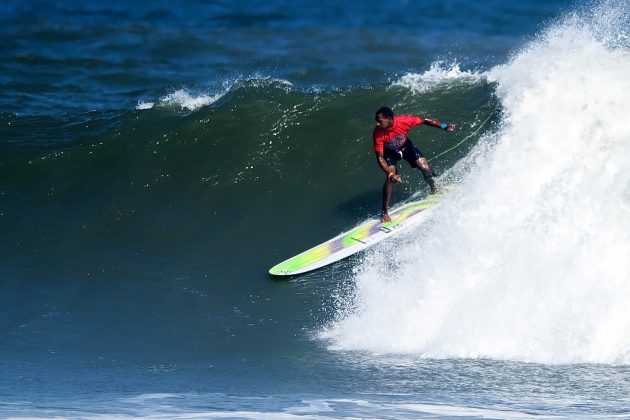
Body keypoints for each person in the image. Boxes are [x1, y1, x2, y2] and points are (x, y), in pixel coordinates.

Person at [373, 106, 455, 222]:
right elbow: (380, 157)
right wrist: (391, 175)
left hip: (406, 147)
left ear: (389, 119)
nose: (377, 124)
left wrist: (444, 126)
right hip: (389, 154)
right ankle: (384, 212)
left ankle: (435, 188)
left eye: (380, 121)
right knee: (390, 178)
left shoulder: (404, 121)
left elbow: (425, 120)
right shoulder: (378, 132)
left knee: (425, 167)